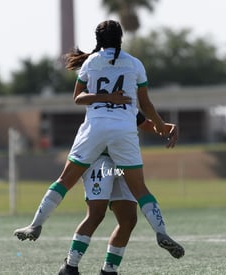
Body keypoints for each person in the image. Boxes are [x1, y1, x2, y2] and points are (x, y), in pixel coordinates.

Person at [14, 19, 184, 268]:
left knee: (115, 211)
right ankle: (159, 232)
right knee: (133, 194)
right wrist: (159, 123)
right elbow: (144, 108)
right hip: (115, 147)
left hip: (97, 137)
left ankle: (38, 225)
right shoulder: (133, 66)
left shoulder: (92, 64)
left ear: (98, 41)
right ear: (121, 39)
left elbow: (81, 98)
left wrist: (158, 125)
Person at [58, 112, 178, 275]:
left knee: (128, 219)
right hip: (101, 163)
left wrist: (164, 127)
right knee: (96, 214)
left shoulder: (128, 103)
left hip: (122, 164)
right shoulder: (100, 101)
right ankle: (70, 267)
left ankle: (109, 270)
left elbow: (145, 124)